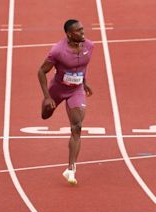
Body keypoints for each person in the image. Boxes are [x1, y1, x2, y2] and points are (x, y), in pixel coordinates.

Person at [38, 19, 94, 185]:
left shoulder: (89, 46)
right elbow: (41, 71)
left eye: (83, 29)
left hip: (76, 91)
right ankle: (48, 104)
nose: (83, 32)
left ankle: (71, 168)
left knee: (77, 127)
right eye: (79, 30)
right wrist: (47, 97)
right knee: (45, 115)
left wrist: (84, 82)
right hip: (57, 89)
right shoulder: (57, 51)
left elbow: (82, 67)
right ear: (69, 34)